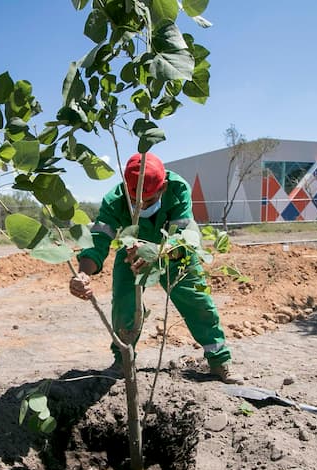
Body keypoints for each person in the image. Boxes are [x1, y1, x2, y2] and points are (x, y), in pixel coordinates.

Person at [69, 152, 244, 384]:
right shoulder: (114, 199)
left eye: (148, 201)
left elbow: (185, 237)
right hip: (131, 252)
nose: (141, 206)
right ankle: (123, 361)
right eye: (135, 202)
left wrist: (155, 253)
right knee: (124, 304)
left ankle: (219, 361)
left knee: (197, 302)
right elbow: (98, 240)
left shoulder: (178, 189)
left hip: (174, 251)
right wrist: (83, 273)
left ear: (163, 188)